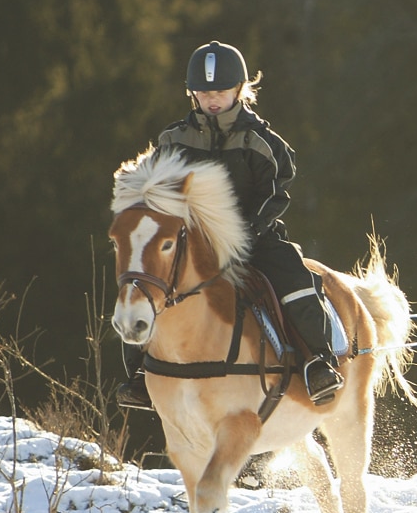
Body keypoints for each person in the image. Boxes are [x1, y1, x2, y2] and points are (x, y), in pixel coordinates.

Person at [117, 40, 344, 409]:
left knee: (295, 279)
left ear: (240, 90)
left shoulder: (261, 141)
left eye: (221, 91)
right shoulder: (173, 139)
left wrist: (244, 233)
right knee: (142, 283)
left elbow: (276, 193)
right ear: (192, 94)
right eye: (204, 92)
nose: (212, 99)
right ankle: (140, 373)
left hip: (253, 237)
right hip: (190, 243)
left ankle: (319, 361)